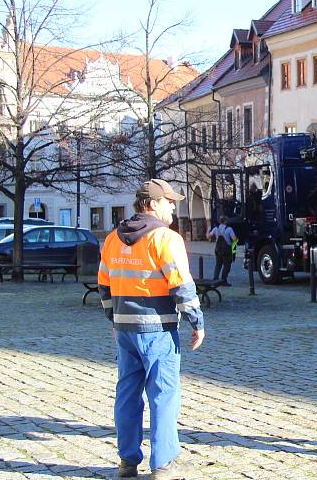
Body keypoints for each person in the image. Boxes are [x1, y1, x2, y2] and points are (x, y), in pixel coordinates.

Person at [98, 178, 205, 479]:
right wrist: (197, 322)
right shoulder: (166, 238)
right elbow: (182, 286)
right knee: (163, 395)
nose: (173, 204)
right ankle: (163, 464)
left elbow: (104, 286)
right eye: (169, 200)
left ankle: (127, 462)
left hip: (125, 330)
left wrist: (114, 320)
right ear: (152, 204)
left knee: (127, 395)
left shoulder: (112, 239)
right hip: (158, 329)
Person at [206, 216, 238, 285]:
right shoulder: (229, 229)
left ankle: (215, 279)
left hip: (218, 249)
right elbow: (234, 239)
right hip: (226, 250)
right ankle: (223, 280)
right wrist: (234, 245)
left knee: (218, 264)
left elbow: (208, 236)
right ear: (225, 221)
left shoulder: (216, 229)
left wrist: (208, 230)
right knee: (227, 265)